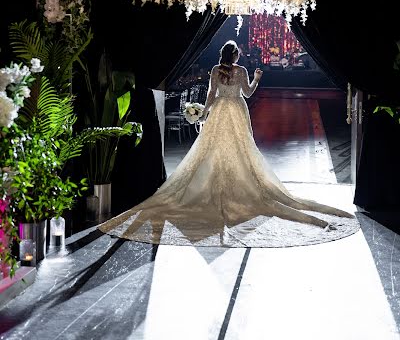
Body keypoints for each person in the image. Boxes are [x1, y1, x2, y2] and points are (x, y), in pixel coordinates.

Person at [99, 40, 356, 247]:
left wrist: (205, 112)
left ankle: (215, 183)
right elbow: (249, 93)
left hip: (221, 109)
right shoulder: (242, 71)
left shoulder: (214, 71)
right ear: (236, 57)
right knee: (240, 149)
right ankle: (237, 182)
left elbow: (211, 94)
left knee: (211, 149)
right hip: (237, 109)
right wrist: (256, 78)